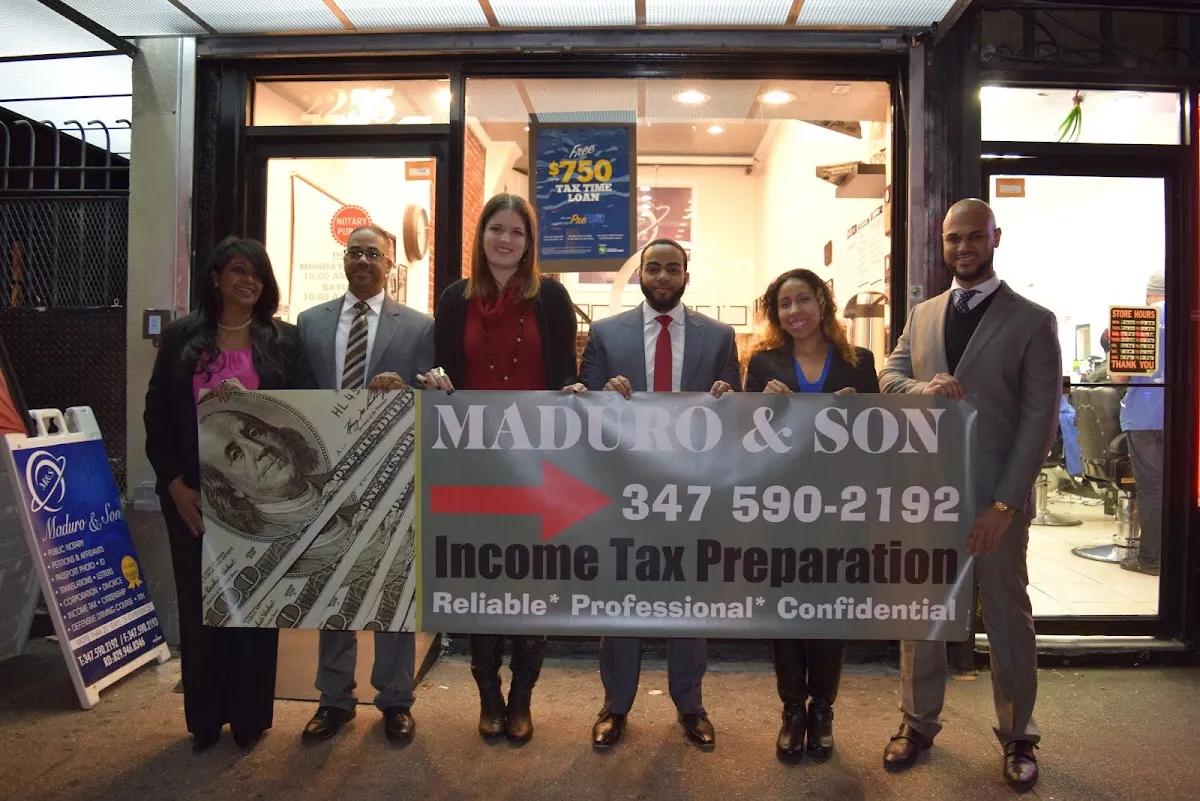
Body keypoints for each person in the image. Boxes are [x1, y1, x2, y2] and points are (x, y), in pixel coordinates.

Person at [878, 199, 1060, 791]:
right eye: (954, 238)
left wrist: (1004, 505)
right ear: (942, 242)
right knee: (922, 614)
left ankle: (1019, 735)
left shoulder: (1032, 320)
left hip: (994, 505)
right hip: (927, 498)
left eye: (975, 236)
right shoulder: (924, 314)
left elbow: (1038, 422)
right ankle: (917, 724)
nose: (963, 247)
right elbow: (888, 376)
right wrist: (922, 388)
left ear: (995, 238)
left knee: (1007, 619)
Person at [418, 193, 579, 743]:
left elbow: (565, 376)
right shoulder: (453, 298)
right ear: (480, 236)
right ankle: (488, 694)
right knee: (480, 578)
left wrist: (573, 392)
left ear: (529, 243)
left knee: (532, 580)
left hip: (538, 464)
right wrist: (436, 380)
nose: (505, 240)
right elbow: (442, 368)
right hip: (473, 463)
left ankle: (523, 697)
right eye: (496, 229)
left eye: (516, 232)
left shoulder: (551, 297)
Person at [143, 235, 314, 752]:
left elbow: (307, 408)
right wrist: (174, 484)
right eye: (238, 269)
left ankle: (248, 718)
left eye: (257, 272)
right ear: (216, 276)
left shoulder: (283, 341)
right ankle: (204, 718)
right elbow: (157, 415)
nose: (248, 280)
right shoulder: (181, 338)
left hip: (259, 500)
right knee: (201, 607)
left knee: (255, 605)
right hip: (194, 496)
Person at [577, 237, 741, 750]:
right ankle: (615, 705)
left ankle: (690, 705)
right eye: (654, 268)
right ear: (641, 275)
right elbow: (584, 406)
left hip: (693, 490)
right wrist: (603, 395)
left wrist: (728, 398)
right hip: (624, 489)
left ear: (686, 276)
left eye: (673, 268)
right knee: (621, 600)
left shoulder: (719, 337)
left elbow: (735, 411)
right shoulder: (605, 334)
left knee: (689, 601)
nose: (664, 277)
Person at [296, 224, 434, 744]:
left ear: (390, 264)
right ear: (344, 259)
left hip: (392, 475)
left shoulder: (419, 326)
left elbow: (432, 391)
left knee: (392, 586)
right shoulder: (309, 322)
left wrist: (408, 387)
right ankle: (334, 698)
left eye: (373, 254)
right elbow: (297, 393)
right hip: (324, 477)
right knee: (330, 585)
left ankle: (395, 698)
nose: (362, 261)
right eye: (354, 252)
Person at [744, 268, 879, 761]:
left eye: (803, 299)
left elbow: (879, 441)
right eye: (784, 304)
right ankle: (792, 711)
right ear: (775, 314)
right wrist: (762, 409)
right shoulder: (763, 364)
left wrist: (862, 413)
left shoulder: (859, 362)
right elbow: (746, 441)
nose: (794, 311)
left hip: (841, 509)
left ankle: (822, 710)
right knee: (785, 612)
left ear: (822, 302)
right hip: (780, 508)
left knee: (830, 611)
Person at [1114, 272, 1165, 576]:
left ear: (1149, 295)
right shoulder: (1190, 317)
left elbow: (1120, 376)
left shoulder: (1138, 319)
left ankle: (1150, 559)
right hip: (1185, 418)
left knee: (1152, 490)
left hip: (1144, 417)